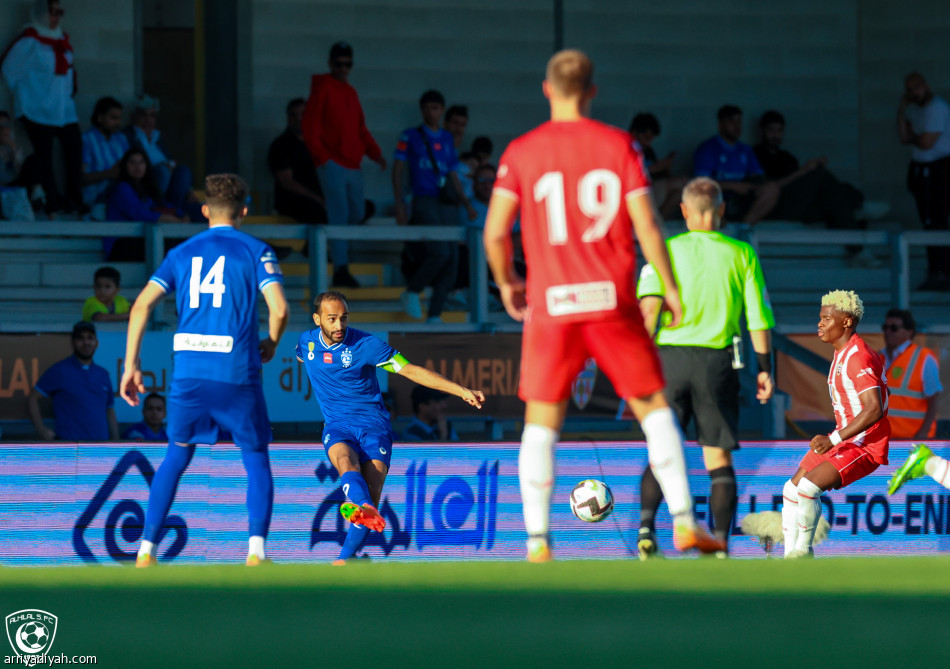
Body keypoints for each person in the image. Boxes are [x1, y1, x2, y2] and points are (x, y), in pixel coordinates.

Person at [483, 49, 723, 562]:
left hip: (551, 303)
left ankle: (538, 541)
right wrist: (672, 287)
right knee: (654, 411)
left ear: (546, 89)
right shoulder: (618, 145)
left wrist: (508, 281)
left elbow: (495, 232)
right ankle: (683, 521)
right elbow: (647, 226)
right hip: (611, 299)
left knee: (540, 422)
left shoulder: (522, 151)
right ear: (593, 91)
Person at [120, 173, 290, 567]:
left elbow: (142, 305)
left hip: (189, 373)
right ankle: (256, 552)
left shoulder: (181, 252)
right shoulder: (256, 250)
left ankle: (146, 550)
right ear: (245, 210)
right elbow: (279, 308)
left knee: (176, 455)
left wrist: (132, 365)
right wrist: (273, 341)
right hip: (236, 370)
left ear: (203, 210)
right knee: (255, 456)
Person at [636, 177, 775, 557]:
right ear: (721, 209)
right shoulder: (741, 253)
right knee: (718, 456)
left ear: (683, 210)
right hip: (717, 362)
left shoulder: (663, 250)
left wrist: (640, 363)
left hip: (669, 360)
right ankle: (720, 543)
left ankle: (646, 530)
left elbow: (648, 311)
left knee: (662, 450)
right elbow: (757, 320)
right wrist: (765, 367)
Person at [296, 291, 484, 563]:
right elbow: (304, 357)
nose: (339, 326)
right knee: (346, 465)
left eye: (344, 318)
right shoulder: (306, 343)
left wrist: (460, 390)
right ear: (317, 319)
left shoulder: (367, 345)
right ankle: (345, 555)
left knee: (368, 501)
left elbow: (411, 370)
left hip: (374, 428)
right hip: (338, 427)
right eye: (332, 319)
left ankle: (347, 554)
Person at [781, 290, 890, 558]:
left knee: (807, 488)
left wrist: (833, 440)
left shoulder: (857, 356)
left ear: (846, 322)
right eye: (820, 317)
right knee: (791, 489)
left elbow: (874, 409)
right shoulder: (843, 352)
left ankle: (802, 554)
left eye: (827, 318)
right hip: (846, 439)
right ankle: (787, 559)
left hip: (865, 445)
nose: (820, 323)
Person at [302, 41, 387, 288]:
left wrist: (375, 153)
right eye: (338, 63)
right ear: (330, 63)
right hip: (332, 163)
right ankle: (341, 268)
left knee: (357, 213)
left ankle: (327, 247)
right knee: (339, 218)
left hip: (352, 164)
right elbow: (310, 126)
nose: (343, 68)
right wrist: (323, 159)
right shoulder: (322, 87)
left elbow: (359, 128)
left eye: (347, 64)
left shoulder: (350, 92)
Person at [754, 109, 883, 267]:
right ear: (762, 131)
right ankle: (859, 208)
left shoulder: (787, 158)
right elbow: (768, 190)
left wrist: (805, 171)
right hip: (775, 207)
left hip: (800, 208)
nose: (775, 135)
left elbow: (798, 185)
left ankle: (858, 244)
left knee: (837, 194)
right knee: (820, 175)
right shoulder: (754, 155)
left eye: (779, 131)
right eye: (771, 130)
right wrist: (805, 170)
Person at [393, 89, 476, 322]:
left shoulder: (447, 138)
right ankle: (412, 291)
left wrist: (466, 203)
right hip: (424, 199)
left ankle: (436, 314)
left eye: (437, 108)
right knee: (439, 252)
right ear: (422, 110)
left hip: (446, 202)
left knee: (452, 257)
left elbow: (452, 174)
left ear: (442, 111)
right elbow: (398, 170)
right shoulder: (410, 135)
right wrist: (399, 203)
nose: (433, 112)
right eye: (429, 108)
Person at [0, 0, 84, 216]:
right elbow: (10, 70)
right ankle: (52, 200)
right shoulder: (29, 40)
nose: (57, 17)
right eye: (53, 12)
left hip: (62, 108)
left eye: (60, 12)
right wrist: (30, 92)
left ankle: (75, 198)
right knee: (43, 155)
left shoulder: (62, 39)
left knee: (74, 148)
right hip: (36, 107)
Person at [897, 72, 950, 291]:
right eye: (910, 89)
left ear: (925, 86)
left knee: (935, 222)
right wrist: (901, 109)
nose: (914, 92)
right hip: (922, 170)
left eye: (917, 87)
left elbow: (927, 143)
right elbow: (904, 137)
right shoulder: (916, 109)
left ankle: (941, 273)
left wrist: (913, 137)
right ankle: (937, 271)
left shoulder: (936, 108)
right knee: (928, 222)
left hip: (938, 170)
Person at [28, 321, 118, 441]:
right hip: (70, 449)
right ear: (72, 343)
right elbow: (32, 398)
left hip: (100, 450)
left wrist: (117, 443)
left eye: (90, 338)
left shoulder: (103, 374)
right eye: (81, 338)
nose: (86, 342)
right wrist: (42, 430)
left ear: (96, 343)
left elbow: (109, 410)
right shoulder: (59, 370)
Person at [693, 104, 778, 224]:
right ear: (720, 124)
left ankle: (744, 227)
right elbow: (700, 185)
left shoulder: (746, 150)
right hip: (719, 201)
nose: (737, 126)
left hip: (743, 200)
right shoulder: (707, 149)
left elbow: (759, 178)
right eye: (732, 121)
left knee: (772, 188)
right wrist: (733, 186)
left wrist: (749, 186)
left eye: (739, 122)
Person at [124, 95, 201, 220]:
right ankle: (160, 207)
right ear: (134, 116)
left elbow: (170, 161)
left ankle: (175, 210)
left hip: (167, 187)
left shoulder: (157, 138)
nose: (148, 120)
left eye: (152, 116)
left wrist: (188, 190)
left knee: (183, 171)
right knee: (163, 171)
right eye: (143, 115)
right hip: (146, 183)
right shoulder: (129, 136)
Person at [879, 308, 941, 439]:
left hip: (912, 439)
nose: (888, 332)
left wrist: (923, 433)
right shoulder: (878, 357)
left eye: (894, 328)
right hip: (882, 440)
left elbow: (933, 401)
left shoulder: (924, 357)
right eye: (886, 327)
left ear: (909, 331)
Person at [268, 97, 327, 224]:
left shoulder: (318, 145)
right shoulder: (281, 145)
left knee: (362, 208)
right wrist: (317, 199)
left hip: (321, 201)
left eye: (303, 114)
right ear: (288, 118)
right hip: (294, 203)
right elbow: (286, 182)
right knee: (317, 212)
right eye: (294, 115)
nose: (299, 119)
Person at [629, 112, 688, 220]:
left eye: (651, 139)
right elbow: (627, 176)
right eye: (646, 138)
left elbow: (659, 176)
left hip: (652, 192)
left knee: (678, 193)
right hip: (634, 196)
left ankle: (657, 224)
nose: (648, 143)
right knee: (681, 182)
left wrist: (664, 168)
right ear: (635, 132)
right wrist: (655, 168)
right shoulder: (627, 147)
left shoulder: (648, 150)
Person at [81, 96, 129, 212]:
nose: (118, 123)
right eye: (113, 118)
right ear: (100, 118)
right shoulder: (87, 139)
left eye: (119, 118)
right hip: (96, 196)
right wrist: (109, 174)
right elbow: (81, 178)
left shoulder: (121, 139)